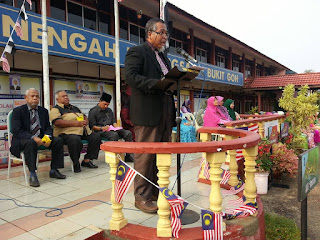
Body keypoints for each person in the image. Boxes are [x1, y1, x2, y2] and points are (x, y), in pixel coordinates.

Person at [125, 18, 175, 213]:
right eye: (161, 33)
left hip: (165, 113)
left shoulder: (163, 58)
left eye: (166, 34)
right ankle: (141, 196)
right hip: (147, 113)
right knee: (145, 156)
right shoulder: (137, 52)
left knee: (160, 156)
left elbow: (167, 81)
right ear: (150, 34)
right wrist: (156, 84)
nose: (165, 37)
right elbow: (131, 77)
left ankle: (155, 191)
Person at [10, 88, 66, 187]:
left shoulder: (43, 111)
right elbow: (16, 130)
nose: (35, 98)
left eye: (37, 96)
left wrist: (47, 137)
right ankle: (32, 174)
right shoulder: (18, 111)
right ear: (26, 98)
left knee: (58, 140)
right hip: (22, 140)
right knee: (30, 143)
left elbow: (48, 127)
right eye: (32, 96)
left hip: (41, 139)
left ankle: (54, 170)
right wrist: (33, 137)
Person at [49, 90, 101, 172]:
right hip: (66, 133)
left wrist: (86, 120)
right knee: (75, 140)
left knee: (96, 137)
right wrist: (76, 123)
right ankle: (75, 162)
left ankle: (87, 159)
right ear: (57, 99)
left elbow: (84, 116)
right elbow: (57, 122)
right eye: (63, 96)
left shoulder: (74, 108)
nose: (66, 97)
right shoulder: (56, 109)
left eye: (66, 96)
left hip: (82, 131)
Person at [88, 92, 134, 162]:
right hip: (101, 130)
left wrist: (117, 128)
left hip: (111, 129)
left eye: (108, 105)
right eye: (105, 104)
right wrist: (102, 128)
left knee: (128, 133)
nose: (106, 106)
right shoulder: (93, 111)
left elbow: (113, 122)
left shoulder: (109, 111)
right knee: (114, 135)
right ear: (100, 101)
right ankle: (113, 157)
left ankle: (128, 155)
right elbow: (92, 126)